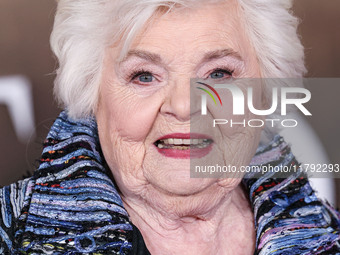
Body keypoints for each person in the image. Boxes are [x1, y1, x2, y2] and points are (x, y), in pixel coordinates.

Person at [1, 0, 339, 254]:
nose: (183, 105)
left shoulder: (328, 234)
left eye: (218, 74)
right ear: (92, 93)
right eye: (144, 76)